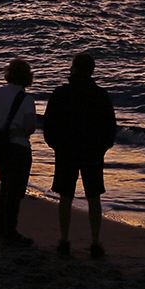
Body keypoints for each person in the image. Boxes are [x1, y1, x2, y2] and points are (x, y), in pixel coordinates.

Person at [42, 51, 117, 258]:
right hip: (92, 152)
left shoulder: (60, 93)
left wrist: (56, 146)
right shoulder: (101, 95)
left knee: (65, 197)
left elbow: (48, 125)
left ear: (73, 69)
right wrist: (102, 148)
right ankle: (95, 243)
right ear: (92, 71)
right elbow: (110, 127)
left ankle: (64, 240)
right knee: (94, 198)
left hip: (66, 151)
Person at [0, 58, 37, 246]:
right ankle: (10, 231)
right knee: (15, 192)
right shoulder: (27, 99)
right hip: (19, 148)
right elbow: (31, 127)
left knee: (4, 187)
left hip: (0, 146)